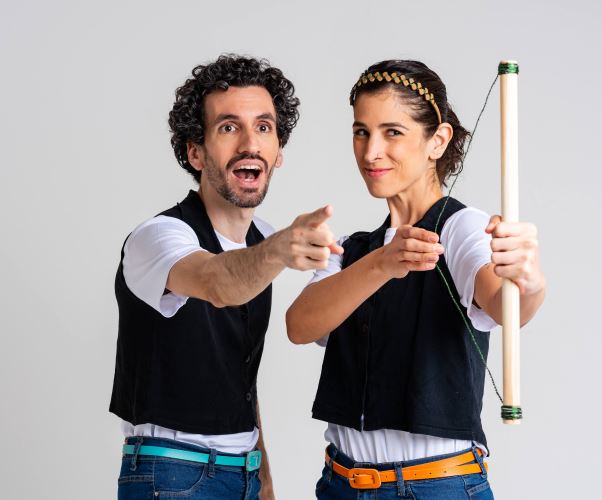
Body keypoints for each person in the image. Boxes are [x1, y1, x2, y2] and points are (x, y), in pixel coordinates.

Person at [286, 60, 546, 499]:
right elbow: (300, 325)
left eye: (392, 132)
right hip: (340, 485)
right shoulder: (353, 249)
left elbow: (507, 307)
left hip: (435, 487)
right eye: (361, 132)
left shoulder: (461, 228)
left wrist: (530, 281)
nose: (371, 152)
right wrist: (381, 264)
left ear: (437, 140)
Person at [110, 54, 341, 500]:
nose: (250, 144)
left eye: (264, 127)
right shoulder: (157, 237)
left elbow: (241, 381)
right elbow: (217, 283)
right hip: (171, 473)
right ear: (195, 152)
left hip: (243, 472)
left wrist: (264, 477)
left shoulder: (264, 238)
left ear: (278, 153)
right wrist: (278, 250)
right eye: (229, 127)